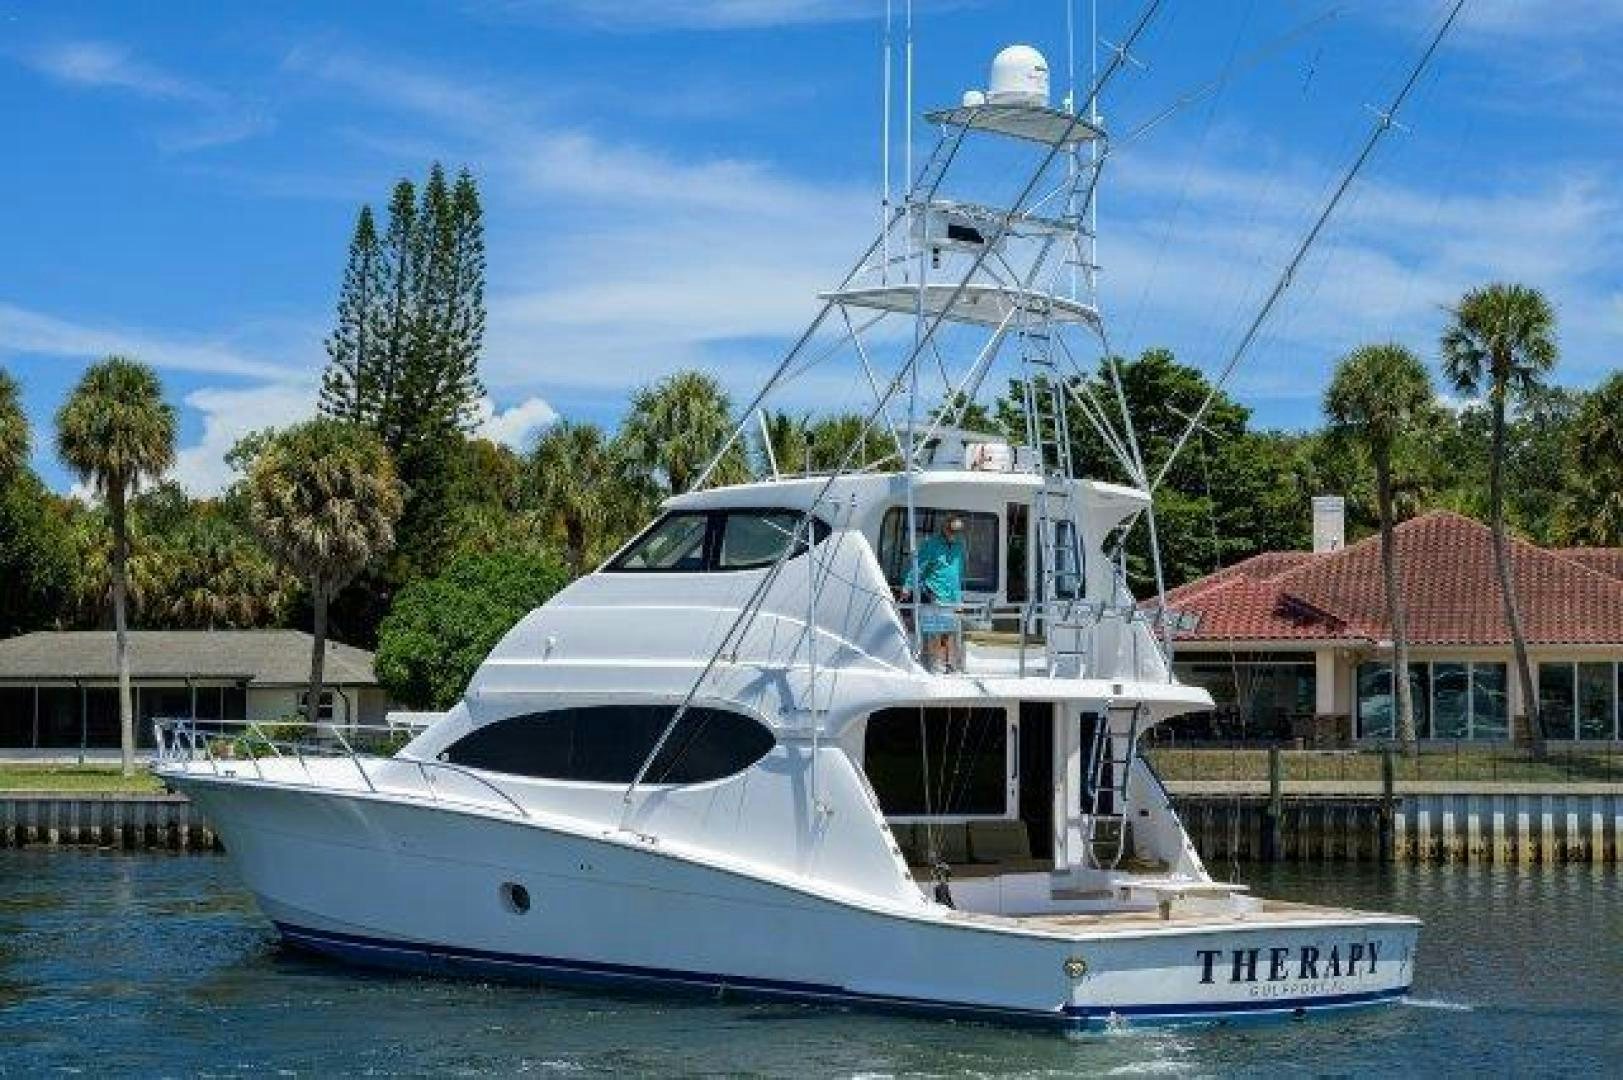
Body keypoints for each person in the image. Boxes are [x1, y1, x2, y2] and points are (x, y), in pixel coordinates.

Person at [900, 515, 967, 673]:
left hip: (952, 597)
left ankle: (948, 665)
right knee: (934, 632)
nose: (954, 533)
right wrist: (907, 586)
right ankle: (932, 667)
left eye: (958, 531)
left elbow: (957, 574)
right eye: (952, 530)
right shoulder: (931, 545)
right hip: (933, 593)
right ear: (945, 528)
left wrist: (958, 600)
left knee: (949, 633)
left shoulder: (959, 546)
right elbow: (919, 567)